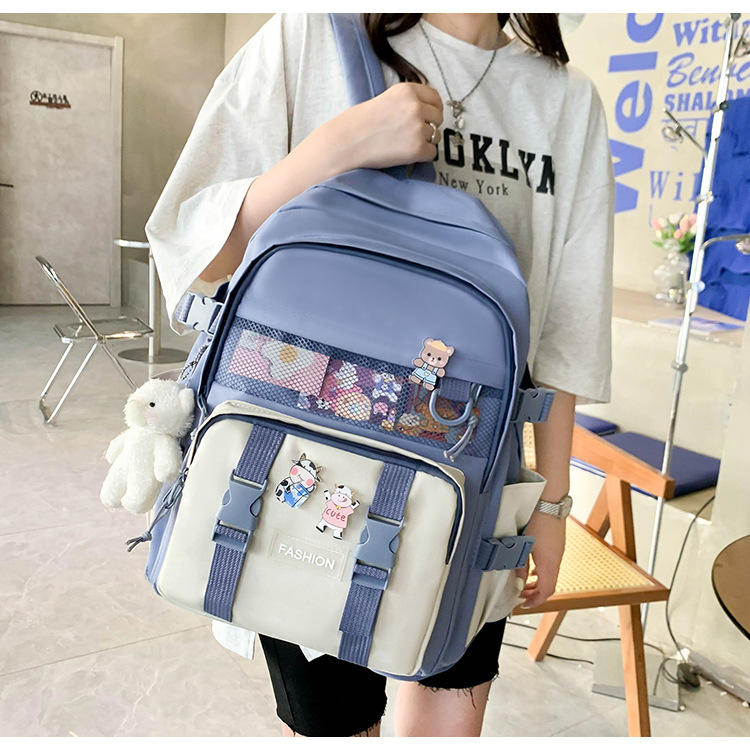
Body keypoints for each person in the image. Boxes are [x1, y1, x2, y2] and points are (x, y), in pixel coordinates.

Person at [146, 12, 615, 737]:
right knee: (337, 724)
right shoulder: (313, 33)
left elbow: (564, 337)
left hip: (474, 477)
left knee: (447, 714)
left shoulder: (565, 99)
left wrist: (552, 510)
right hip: (297, 457)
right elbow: (195, 253)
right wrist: (335, 148)